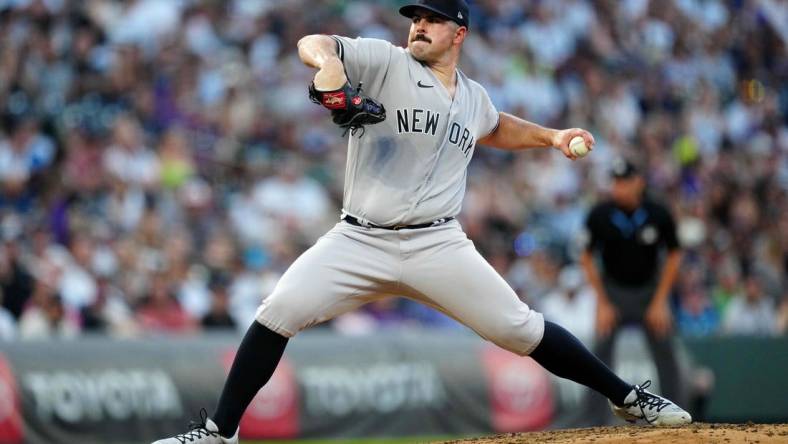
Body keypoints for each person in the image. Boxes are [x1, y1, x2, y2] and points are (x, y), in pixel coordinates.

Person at [153, 2, 690, 442]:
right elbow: (313, 42)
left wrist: (550, 137)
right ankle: (221, 432)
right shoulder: (387, 62)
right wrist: (329, 66)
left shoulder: (473, 97)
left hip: (438, 243)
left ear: (459, 32)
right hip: (359, 237)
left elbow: (496, 126)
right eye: (415, 17)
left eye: (431, 19)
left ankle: (628, 399)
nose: (419, 26)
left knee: (519, 327)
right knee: (278, 311)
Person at [580, 157, 684, 424]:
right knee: (598, 355)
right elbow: (586, 257)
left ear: (638, 182)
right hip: (613, 292)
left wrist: (661, 301)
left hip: (650, 293)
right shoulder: (600, 214)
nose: (619, 188)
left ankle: (678, 415)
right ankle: (592, 422)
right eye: (615, 182)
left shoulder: (657, 213)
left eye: (624, 182)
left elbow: (674, 254)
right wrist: (602, 302)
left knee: (666, 353)